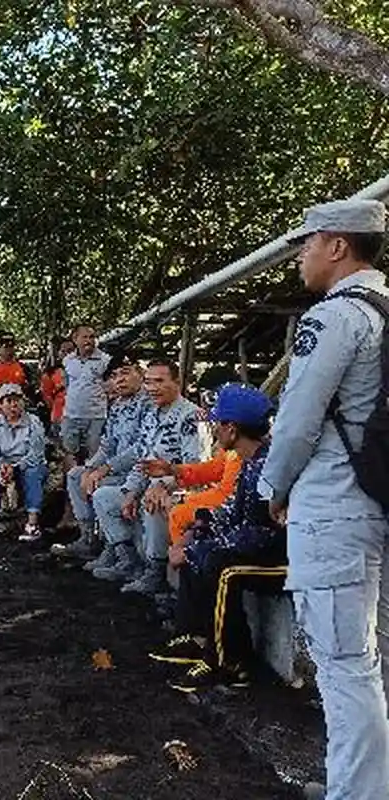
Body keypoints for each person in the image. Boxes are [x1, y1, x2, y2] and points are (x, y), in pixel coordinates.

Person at [258, 198, 389, 798]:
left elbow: (296, 423)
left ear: (338, 247)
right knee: (375, 659)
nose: (302, 256)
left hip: (337, 505)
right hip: (381, 499)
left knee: (345, 666)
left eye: (308, 243)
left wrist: (273, 487)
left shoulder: (336, 317)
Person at [148, 384, 285, 693]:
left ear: (232, 429)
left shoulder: (269, 467)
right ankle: (197, 638)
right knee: (199, 545)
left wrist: (201, 547)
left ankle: (229, 663)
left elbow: (259, 534)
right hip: (258, 547)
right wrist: (196, 533)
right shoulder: (250, 460)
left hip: (282, 557)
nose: (214, 429)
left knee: (219, 566)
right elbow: (230, 513)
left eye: (218, 423)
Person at [92, 358, 205, 595]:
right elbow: (142, 459)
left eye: (160, 381)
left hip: (182, 488)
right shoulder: (151, 414)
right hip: (150, 484)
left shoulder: (191, 416)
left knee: (153, 502)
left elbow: (195, 466)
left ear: (177, 382)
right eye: (149, 382)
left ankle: (157, 572)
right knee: (104, 497)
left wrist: (164, 485)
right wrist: (130, 491)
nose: (153, 388)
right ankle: (129, 562)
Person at [57, 351, 149, 561]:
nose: (120, 380)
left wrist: (105, 469)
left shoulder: (148, 404)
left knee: (101, 489)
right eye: (114, 376)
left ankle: (117, 550)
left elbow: (141, 448)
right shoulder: (117, 406)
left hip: (139, 473)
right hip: (119, 470)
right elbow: (107, 445)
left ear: (140, 373)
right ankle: (89, 538)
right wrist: (90, 468)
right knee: (76, 475)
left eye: (125, 373)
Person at [0, 383, 48, 542]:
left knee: (32, 473)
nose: (13, 405)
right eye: (8, 401)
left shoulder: (34, 422)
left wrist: (15, 468)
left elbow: (36, 454)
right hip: (3, 465)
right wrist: (0, 468)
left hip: (28, 464)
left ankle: (32, 524)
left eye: (17, 400)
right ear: (1, 404)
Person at [62, 324, 110, 467]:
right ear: (75, 339)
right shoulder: (68, 360)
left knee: (95, 455)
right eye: (85, 337)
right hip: (71, 415)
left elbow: (110, 386)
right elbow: (67, 385)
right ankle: (71, 479)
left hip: (96, 416)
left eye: (92, 337)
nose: (89, 341)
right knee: (69, 452)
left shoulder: (105, 360)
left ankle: (92, 480)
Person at [40, 339, 75, 439]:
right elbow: (47, 397)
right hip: (59, 417)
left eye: (70, 350)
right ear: (58, 353)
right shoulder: (50, 374)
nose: (67, 354)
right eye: (63, 351)